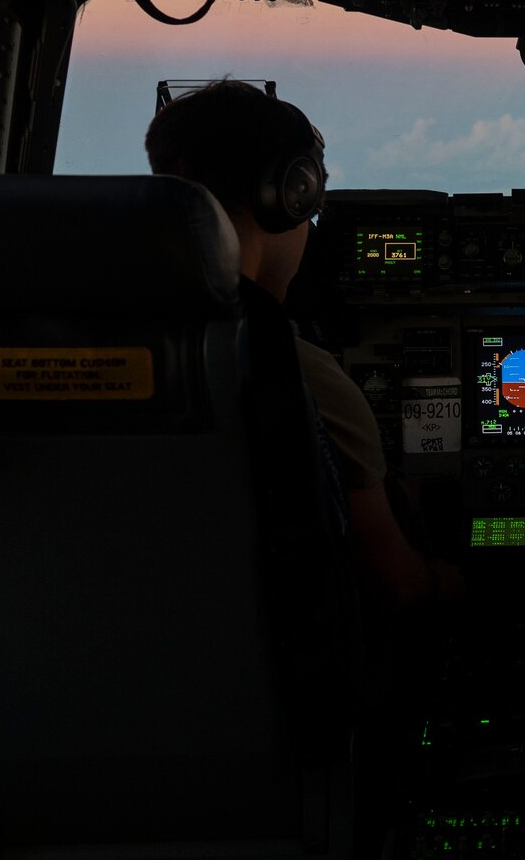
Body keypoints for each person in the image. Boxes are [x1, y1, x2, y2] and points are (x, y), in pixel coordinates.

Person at [144, 80, 461, 611]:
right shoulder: (294, 373)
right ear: (292, 194)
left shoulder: (99, 335)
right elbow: (396, 588)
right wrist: (453, 582)